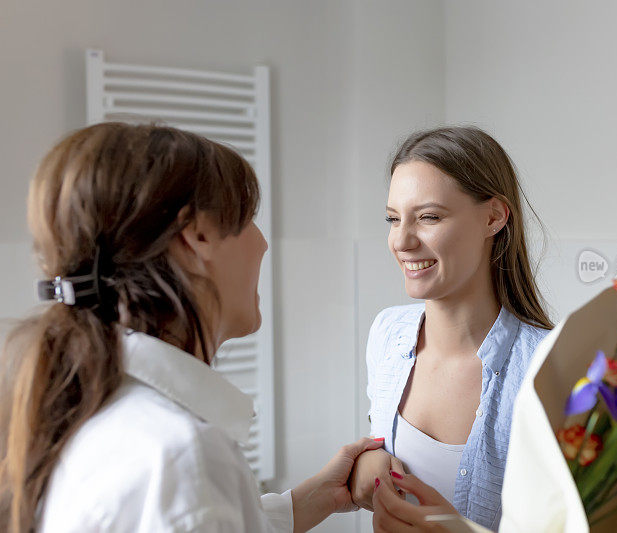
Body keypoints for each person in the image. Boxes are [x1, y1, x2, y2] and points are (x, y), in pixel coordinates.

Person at [0, 123, 383, 533]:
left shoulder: (91, 405)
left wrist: (308, 501)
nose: (263, 244)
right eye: (249, 219)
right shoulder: (181, 457)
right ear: (197, 236)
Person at [349, 126, 554, 531]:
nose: (401, 241)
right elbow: (378, 443)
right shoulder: (387, 333)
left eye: (428, 217)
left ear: (494, 217)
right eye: (393, 219)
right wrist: (366, 464)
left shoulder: (548, 364)